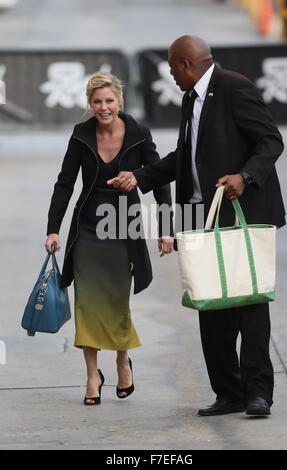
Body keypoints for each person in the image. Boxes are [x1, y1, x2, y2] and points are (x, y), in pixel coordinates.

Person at [108, 36, 286, 417]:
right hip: (201, 216)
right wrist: (140, 177)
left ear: (187, 64)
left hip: (243, 213)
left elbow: (271, 141)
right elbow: (186, 156)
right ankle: (228, 392)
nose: (171, 75)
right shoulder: (191, 99)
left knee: (250, 303)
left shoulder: (235, 88)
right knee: (211, 305)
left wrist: (245, 176)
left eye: (173, 68)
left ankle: (258, 394)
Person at [45, 72, 173, 406]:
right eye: (97, 101)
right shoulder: (81, 135)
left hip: (122, 226)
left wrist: (166, 226)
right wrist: (53, 228)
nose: (104, 107)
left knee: (117, 302)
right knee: (86, 301)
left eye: (109, 100)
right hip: (87, 226)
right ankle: (91, 375)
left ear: (120, 100)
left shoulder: (139, 134)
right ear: (90, 104)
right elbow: (64, 183)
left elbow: (160, 179)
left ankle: (120, 361)